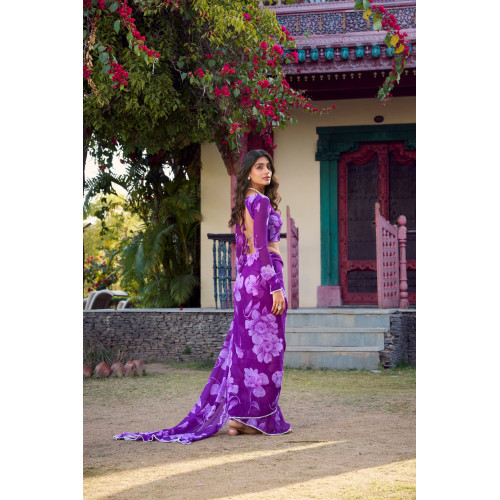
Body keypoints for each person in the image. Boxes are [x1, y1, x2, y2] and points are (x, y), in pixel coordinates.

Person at [113, 149, 291, 444]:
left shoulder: (245, 202)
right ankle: (252, 419)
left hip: (248, 280)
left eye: (268, 166)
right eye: (259, 167)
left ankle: (240, 417)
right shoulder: (259, 201)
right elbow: (261, 248)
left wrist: (242, 285)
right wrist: (274, 286)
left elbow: (243, 251)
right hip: (264, 279)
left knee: (247, 350)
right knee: (268, 351)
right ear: (248, 173)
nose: (266, 171)